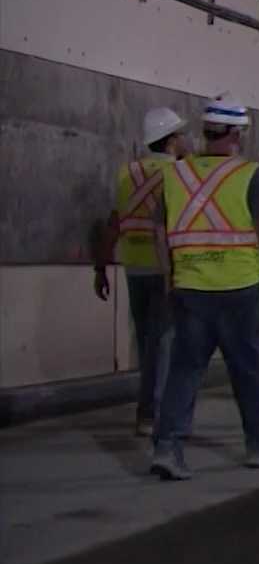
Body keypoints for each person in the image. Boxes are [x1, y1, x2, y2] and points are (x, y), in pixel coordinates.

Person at [149, 97, 259, 479]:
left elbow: (160, 233)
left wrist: (168, 279)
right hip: (239, 289)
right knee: (247, 370)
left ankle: (168, 448)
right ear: (234, 134)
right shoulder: (250, 174)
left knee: (184, 370)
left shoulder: (175, 175)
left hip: (189, 286)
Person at [92, 107, 190, 437]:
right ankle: (152, 414)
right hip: (166, 269)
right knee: (163, 344)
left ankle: (151, 411)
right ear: (173, 140)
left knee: (149, 341)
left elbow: (114, 222)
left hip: (133, 267)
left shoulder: (127, 172)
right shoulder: (180, 173)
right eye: (182, 135)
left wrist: (101, 267)